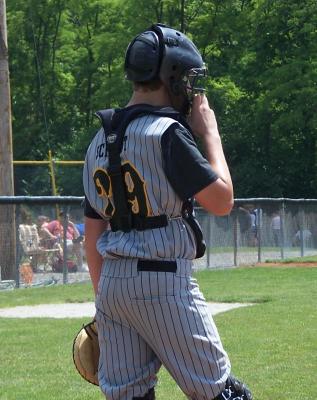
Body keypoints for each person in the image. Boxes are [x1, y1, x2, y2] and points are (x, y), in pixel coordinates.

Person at [83, 23, 252, 400]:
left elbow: (92, 238)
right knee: (224, 394)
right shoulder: (166, 132)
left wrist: (105, 304)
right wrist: (210, 134)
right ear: (172, 76)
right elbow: (222, 201)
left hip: (112, 286)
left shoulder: (97, 141)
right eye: (188, 78)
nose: (190, 88)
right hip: (162, 282)